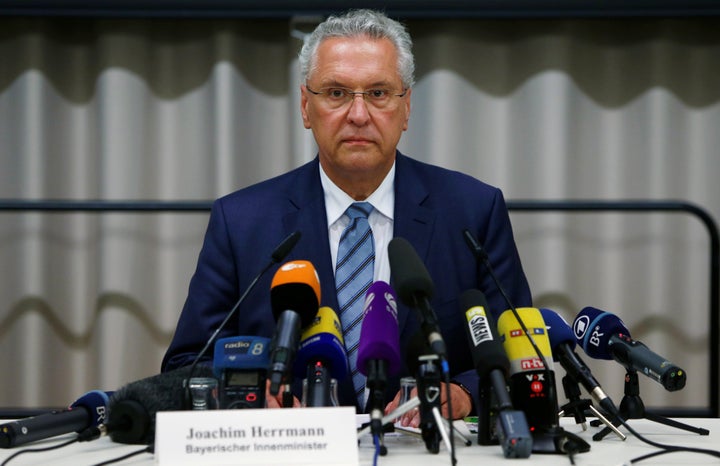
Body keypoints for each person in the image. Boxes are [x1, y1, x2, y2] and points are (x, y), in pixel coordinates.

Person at [162, 9, 532, 426]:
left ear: (406, 107)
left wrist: (465, 393)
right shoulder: (242, 221)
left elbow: (520, 350)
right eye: (336, 93)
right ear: (306, 107)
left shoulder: (472, 212)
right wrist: (247, 393)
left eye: (378, 93)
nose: (358, 115)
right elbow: (188, 363)